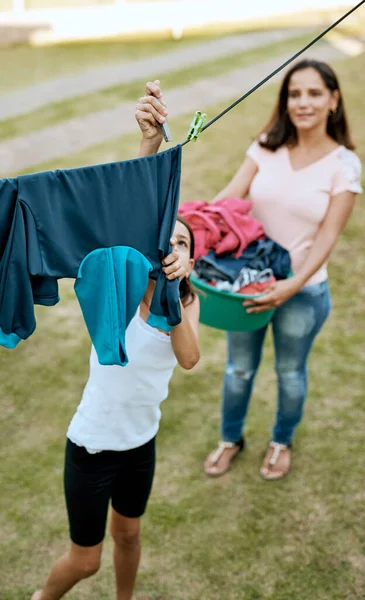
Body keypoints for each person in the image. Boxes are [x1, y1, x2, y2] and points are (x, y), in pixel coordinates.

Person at [32, 81, 200, 600]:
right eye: (165, 237)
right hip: (93, 446)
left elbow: (190, 358)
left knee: (129, 535)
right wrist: (148, 145)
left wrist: (173, 293)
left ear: (191, 257)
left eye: (182, 242)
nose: (170, 244)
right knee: (85, 563)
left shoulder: (186, 302)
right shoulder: (119, 285)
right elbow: (126, 211)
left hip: (140, 443)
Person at [203, 59, 362, 480]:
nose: (303, 102)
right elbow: (226, 201)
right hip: (247, 287)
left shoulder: (344, 165)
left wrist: (291, 285)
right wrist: (192, 226)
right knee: (238, 369)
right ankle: (230, 438)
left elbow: (328, 237)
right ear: (285, 100)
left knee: (290, 372)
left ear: (333, 100)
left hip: (303, 292)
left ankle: (280, 441)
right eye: (294, 94)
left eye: (313, 93)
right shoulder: (265, 147)